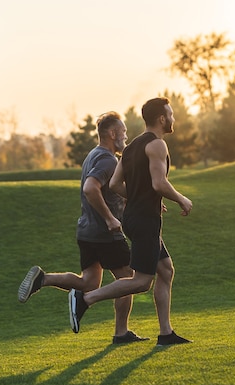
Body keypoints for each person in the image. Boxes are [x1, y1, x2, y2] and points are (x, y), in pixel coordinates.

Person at [68, 97, 193, 346]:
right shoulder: (157, 145)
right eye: (170, 114)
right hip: (145, 220)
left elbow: (115, 184)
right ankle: (85, 299)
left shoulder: (131, 147)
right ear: (161, 118)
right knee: (141, 281)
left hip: (135, 218)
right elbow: (159, 183)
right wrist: (181, 199)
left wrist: (138, 197)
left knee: (165, 270)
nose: (173, 118)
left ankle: (166, 333)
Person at [18, 111, 149, 344]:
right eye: (124, 132)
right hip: (104, 233)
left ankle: (43, 279)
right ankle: (121, 332)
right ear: (112, 133)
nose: (126, 137)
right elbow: (91, 188)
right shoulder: (108, 159)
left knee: (88, 282)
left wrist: (136, 200)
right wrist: (110, 219)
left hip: (86, 231)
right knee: (129, 279)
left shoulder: (93, 155)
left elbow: (109, 191)